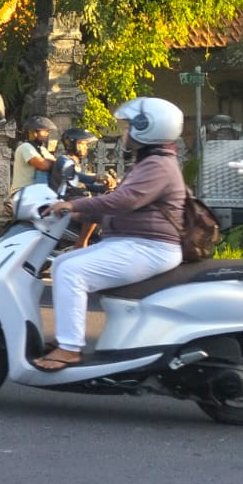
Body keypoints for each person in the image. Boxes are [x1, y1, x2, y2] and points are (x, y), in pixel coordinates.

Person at [33, 98, 188, 370]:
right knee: (63, 264)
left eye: (129, 127)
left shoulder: (158, 166)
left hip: (149, 246)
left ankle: (70, 349)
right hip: (134, 242)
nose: (125, 133)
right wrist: (79, 213)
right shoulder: (149, 162)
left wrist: (74, 204)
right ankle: (66, 340)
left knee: (71, 271)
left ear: (148, 128)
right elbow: (122, 204)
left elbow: (123, 201)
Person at [11, 116, 57, 195]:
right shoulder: (25, 147)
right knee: (41, 172)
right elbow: (43, 165)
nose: (47, 133)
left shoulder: (42, 149)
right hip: (22, 192)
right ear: (33, 132)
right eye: (44, 131)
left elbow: (55, 162)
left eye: (47, 131)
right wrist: (54, 163)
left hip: (35, 191)